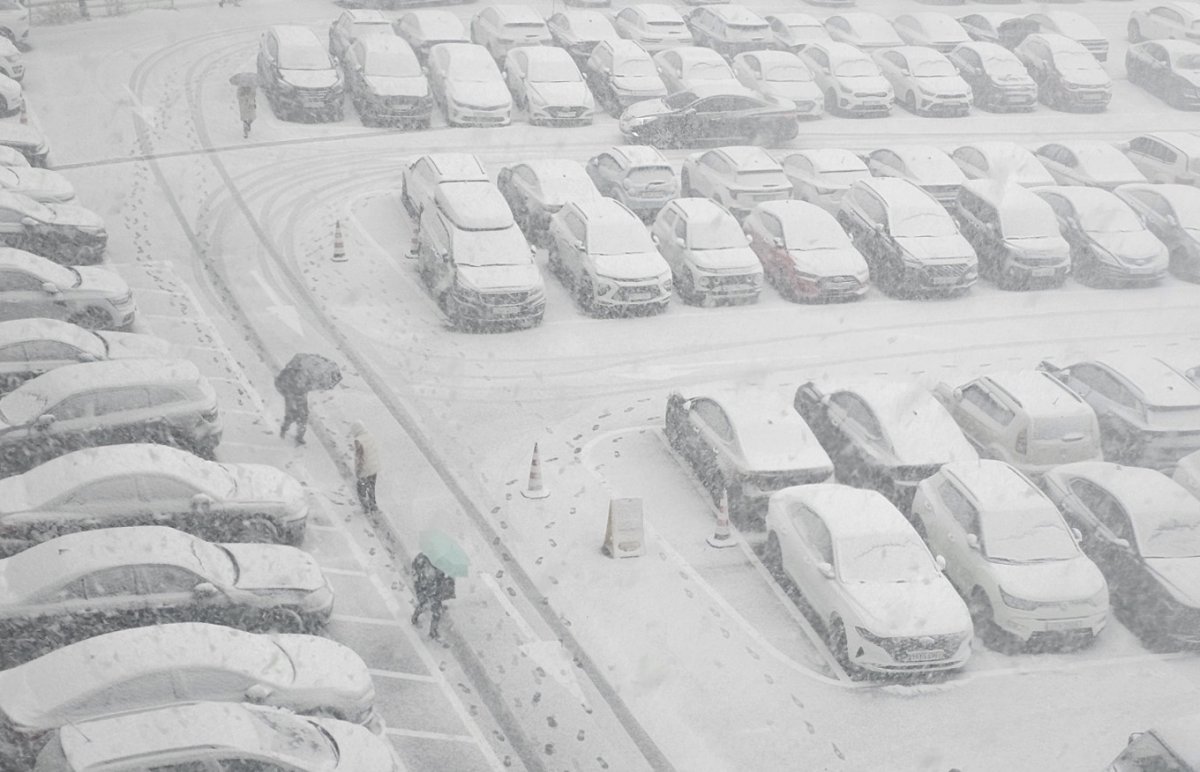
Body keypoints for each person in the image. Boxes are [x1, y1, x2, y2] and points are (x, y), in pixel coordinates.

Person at [411, 553, 455, 640]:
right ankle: (432, 631)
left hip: (434, 591)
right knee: (435, 612)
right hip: (430, 593)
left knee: (426, 607)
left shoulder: (428, 564)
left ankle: (416, 617)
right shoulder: (429, 573)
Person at [350, 421, 380, 513]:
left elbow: (359, 457)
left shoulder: (358, 440)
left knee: (360, 487)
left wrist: (358, 470)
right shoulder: (370, 436)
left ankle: (365, 506)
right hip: (374, 466)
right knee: (371, 486)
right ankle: (373, 504)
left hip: (365, 468)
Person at [275, 367, 309, 446]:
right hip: (293, 404)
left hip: (301, 404)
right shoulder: (290, 384)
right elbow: (289, 398)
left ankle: (300, 436)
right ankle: (283, 430)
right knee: (290, 418)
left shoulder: (304, 383)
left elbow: (305, 395)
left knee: (303, 420)